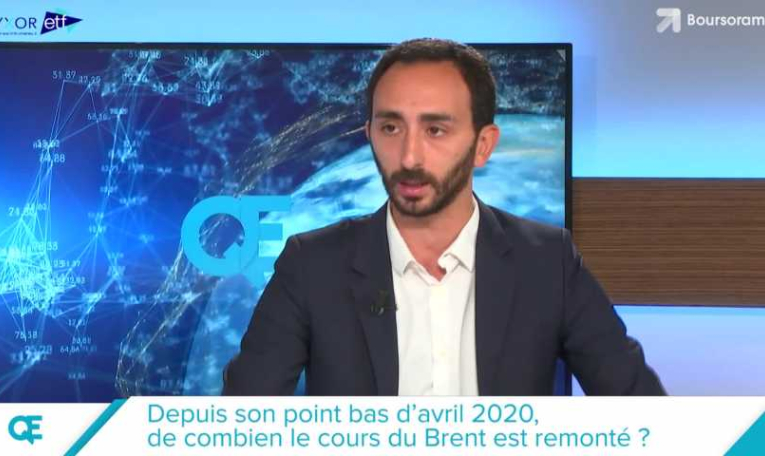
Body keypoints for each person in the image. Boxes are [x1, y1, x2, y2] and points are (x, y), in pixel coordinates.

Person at [223, 38, 665, 396]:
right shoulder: (311, 264)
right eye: (391, 128)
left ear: (483, 146)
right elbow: (242, 424)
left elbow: (644, 415)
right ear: (370, 135)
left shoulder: (548, 262)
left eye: (435, 130)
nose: (409, 157)